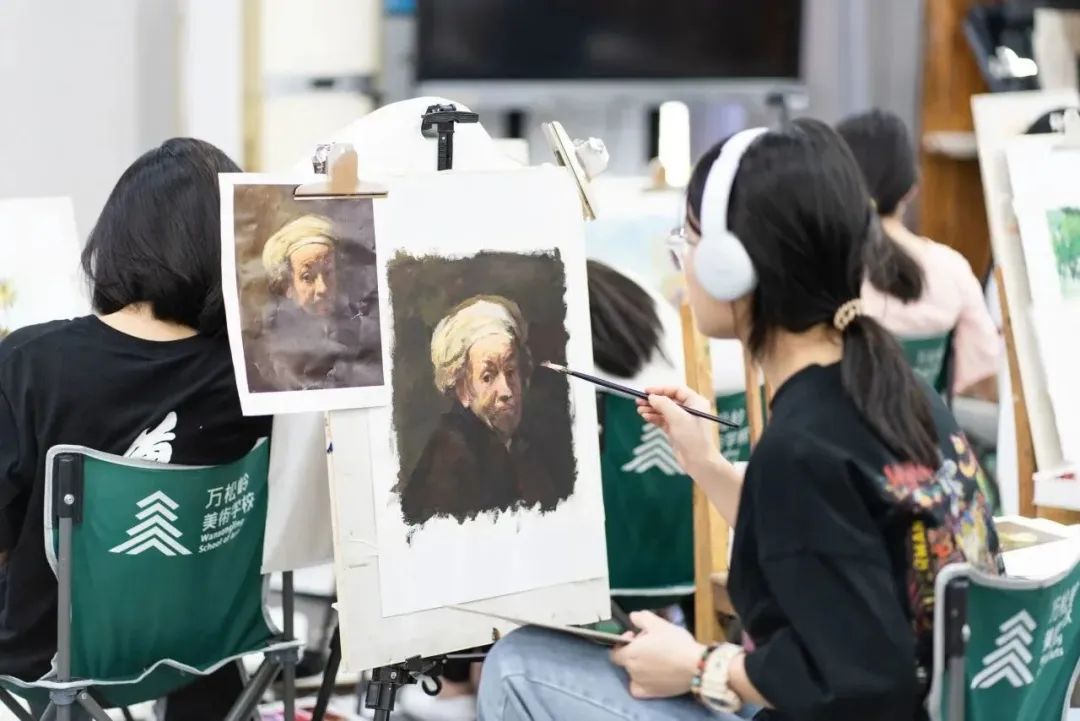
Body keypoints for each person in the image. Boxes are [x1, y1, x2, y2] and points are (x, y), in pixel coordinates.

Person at [477, 119, 1002, 721]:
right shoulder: (893, 386)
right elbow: (826, 549)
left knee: (516, 667)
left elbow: (859, 681)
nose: (684, 258)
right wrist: (703, 461)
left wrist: (699, 665)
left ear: (732, 266)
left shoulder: (803, 446)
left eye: (689, 238)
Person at [0, 138, 270, 720]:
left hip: (51, 655)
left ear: (118, 240)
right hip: (206, 642)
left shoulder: (30, 362)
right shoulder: (256, 374)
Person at [837, 109, 1002, 397]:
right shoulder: (951, 268)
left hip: (835, 424)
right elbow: (984, 379)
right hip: (926, 424)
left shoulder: (822, 267)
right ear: (911, 188)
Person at [401, 295, 561, 526]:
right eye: (488, 377)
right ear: (463, 389)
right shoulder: (450, 463)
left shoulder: (523, 450)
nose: (506, 390)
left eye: (510, 372)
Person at [252, 213, 380, 392]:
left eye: (328, 272)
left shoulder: (363, 330)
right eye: (307, 277)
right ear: (287, 286)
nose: (323, 288)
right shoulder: (274, 351)